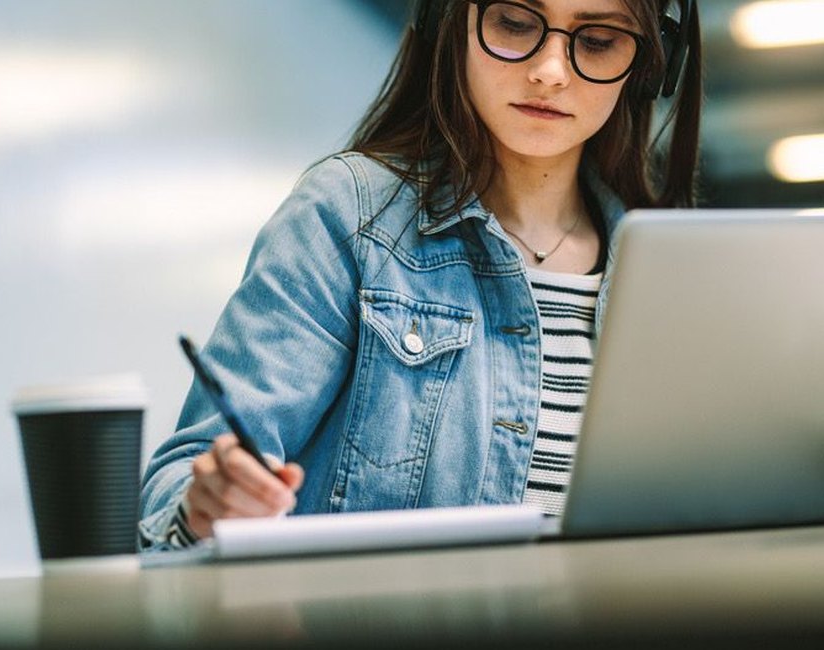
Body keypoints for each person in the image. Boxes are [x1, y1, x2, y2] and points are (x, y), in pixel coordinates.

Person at [139, 0, 702, 549]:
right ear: (449, 19)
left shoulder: (672, 272)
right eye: (514, 21)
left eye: (599, 40)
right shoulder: (348, 218)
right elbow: (180, 485)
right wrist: (209, 503)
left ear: (656, 64)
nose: (550, 72)